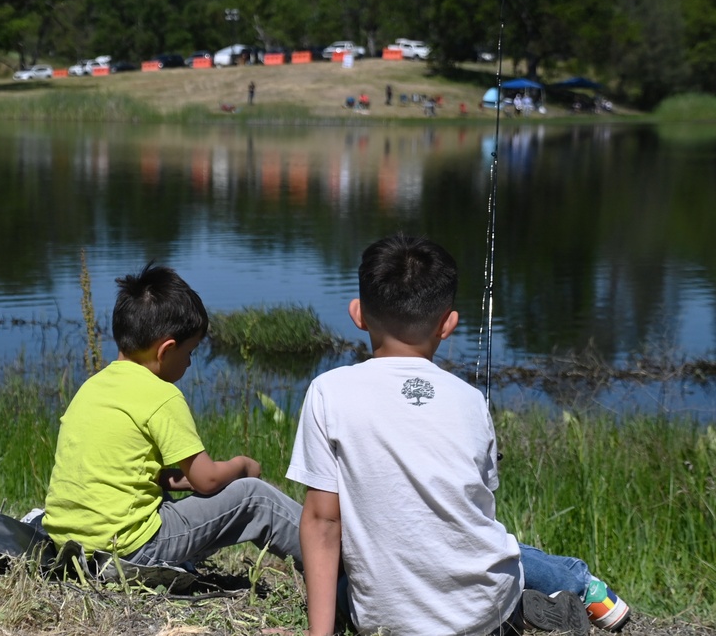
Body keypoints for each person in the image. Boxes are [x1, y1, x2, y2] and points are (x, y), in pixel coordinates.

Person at [287, 235, 631, 636]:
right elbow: (476, 510)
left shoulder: (329, 390)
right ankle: (551, 594)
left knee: (347, 574)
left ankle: (541, 598)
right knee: (493, 542)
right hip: (484, 613)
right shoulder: (471, 401)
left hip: (386, 621)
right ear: (448, 324)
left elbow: (323, 521)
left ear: (358, 314)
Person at [42, 264, 303, 572]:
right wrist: (242, 466)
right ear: (166, 350)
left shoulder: (91, 387)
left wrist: (176, 480)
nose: (190, 363)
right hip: (131, 549)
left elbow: (122, 475)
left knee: (171, 497)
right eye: (190, 352)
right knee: (256, 498)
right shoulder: (160, 395)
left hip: (72, 547)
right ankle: (339, 559)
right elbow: (206, 481)